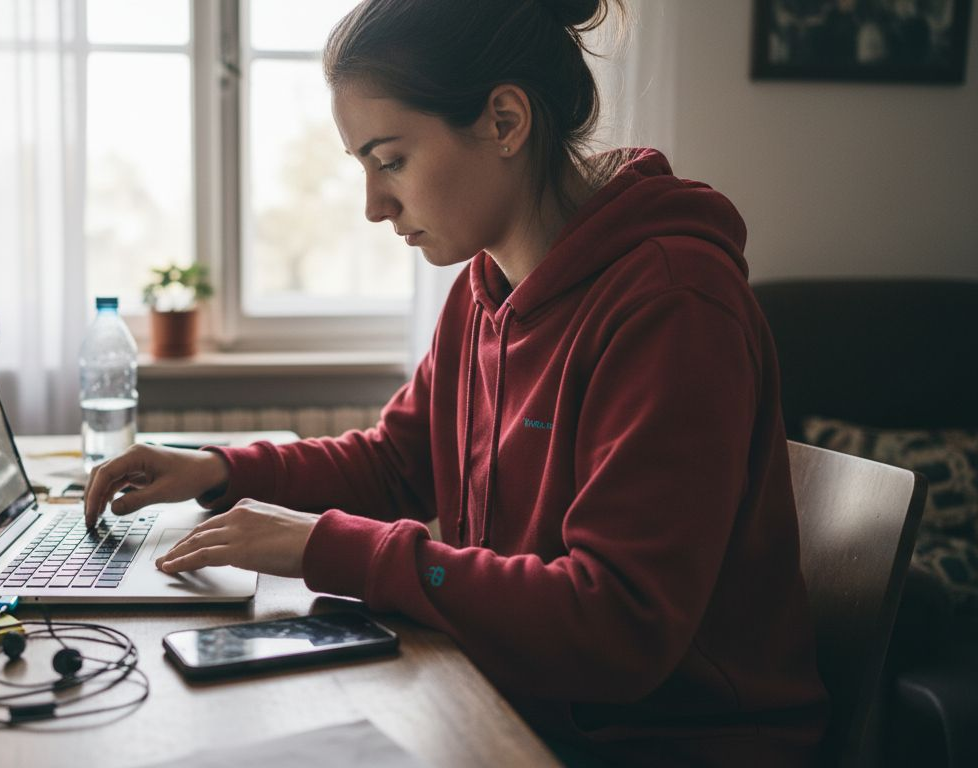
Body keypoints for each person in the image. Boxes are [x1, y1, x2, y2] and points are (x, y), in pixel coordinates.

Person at [85, 0, 828, 763]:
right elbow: (398, 462)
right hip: (517, 700)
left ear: (505, 121)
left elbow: (619, 627)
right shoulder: (485, 289)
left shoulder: (674, 306)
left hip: (667, 743)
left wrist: (328, 548)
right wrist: (220, 468)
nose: (373, 206)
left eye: (390, 160)